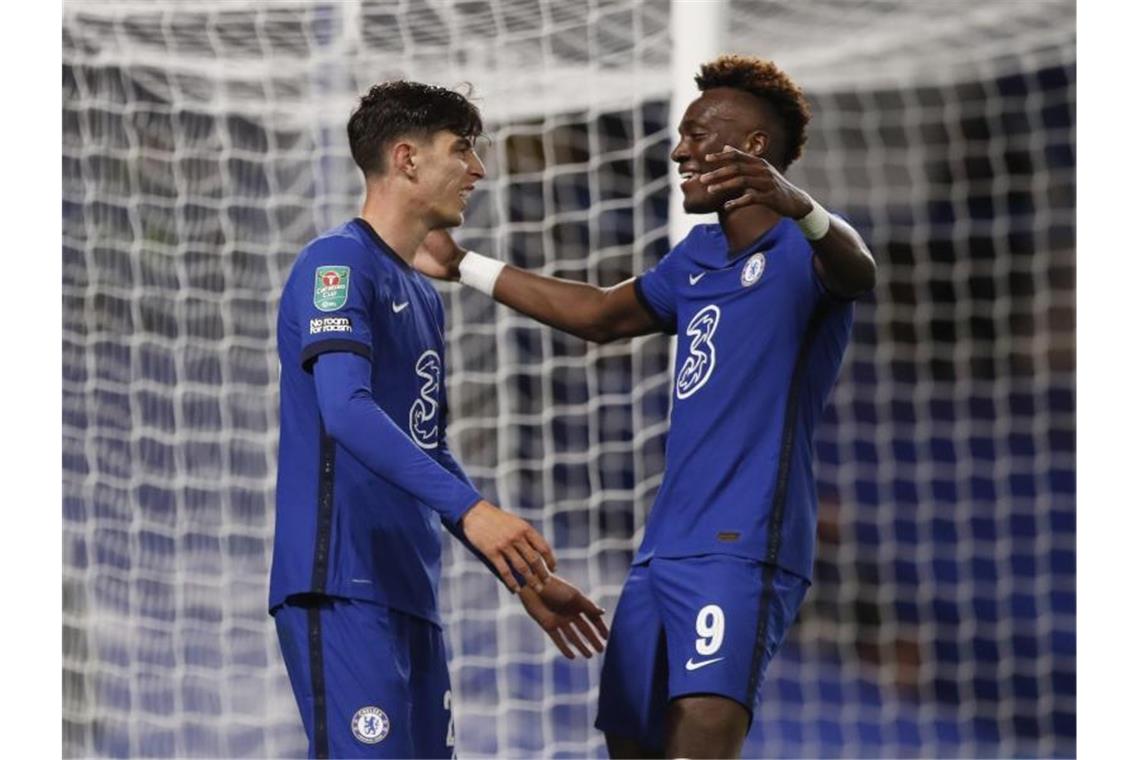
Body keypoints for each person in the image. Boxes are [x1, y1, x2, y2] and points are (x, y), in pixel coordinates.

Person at [414, 55, 877, 758]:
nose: (678, 149)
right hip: (661, 555)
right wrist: (464, 266)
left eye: (696, 134)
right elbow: (600, 314)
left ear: (753, 149)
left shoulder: (804, 252)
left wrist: (804, 208)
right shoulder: (695, 257)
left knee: (699, 730)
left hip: (744, 546)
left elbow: (857, 270)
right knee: (630, 740)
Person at [269, 81, 608, 760]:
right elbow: (345, 410)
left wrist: (522, 574)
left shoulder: (424, 297)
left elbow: (427, 444)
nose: (478, 170)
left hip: (411, 593)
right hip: (341, 584)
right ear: (406, 159)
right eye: (463, 150)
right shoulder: (335, 262)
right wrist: (476, 510)